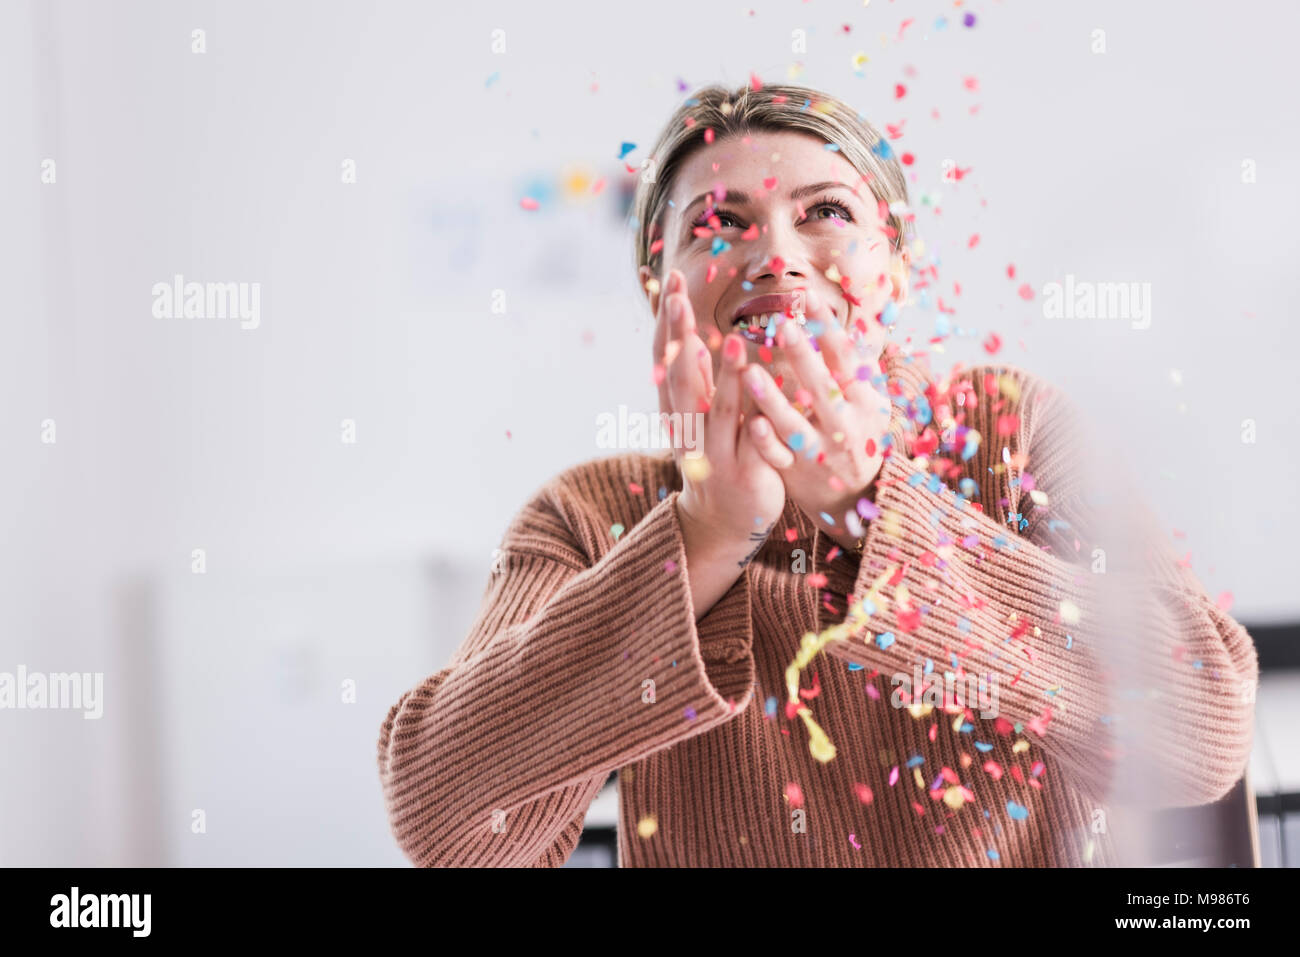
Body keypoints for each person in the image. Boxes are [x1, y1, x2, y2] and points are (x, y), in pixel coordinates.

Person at [376, 82, 1259, 867]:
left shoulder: (1011, 432)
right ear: (660, 288)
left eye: (825, 212)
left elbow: (1205, 733)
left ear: (896, 270)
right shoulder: (588, 512)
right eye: (719, 222)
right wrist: (703, 537)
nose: (775, 256)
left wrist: (870, 508)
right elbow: (447, 826)